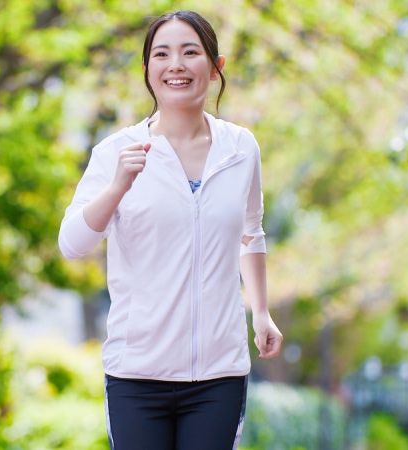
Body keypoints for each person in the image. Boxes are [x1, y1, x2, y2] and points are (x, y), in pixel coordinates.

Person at [58, 10, 283, 450]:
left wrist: (261, 311)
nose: (175, 64)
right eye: (162, 54)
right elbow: (72, 243)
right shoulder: (115, 153)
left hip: (219, 373)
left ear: (216, 67)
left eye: (190, 53)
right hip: (136, 374)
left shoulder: (240, 148)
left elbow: (251, 232)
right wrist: (119, 186)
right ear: (147, 71)